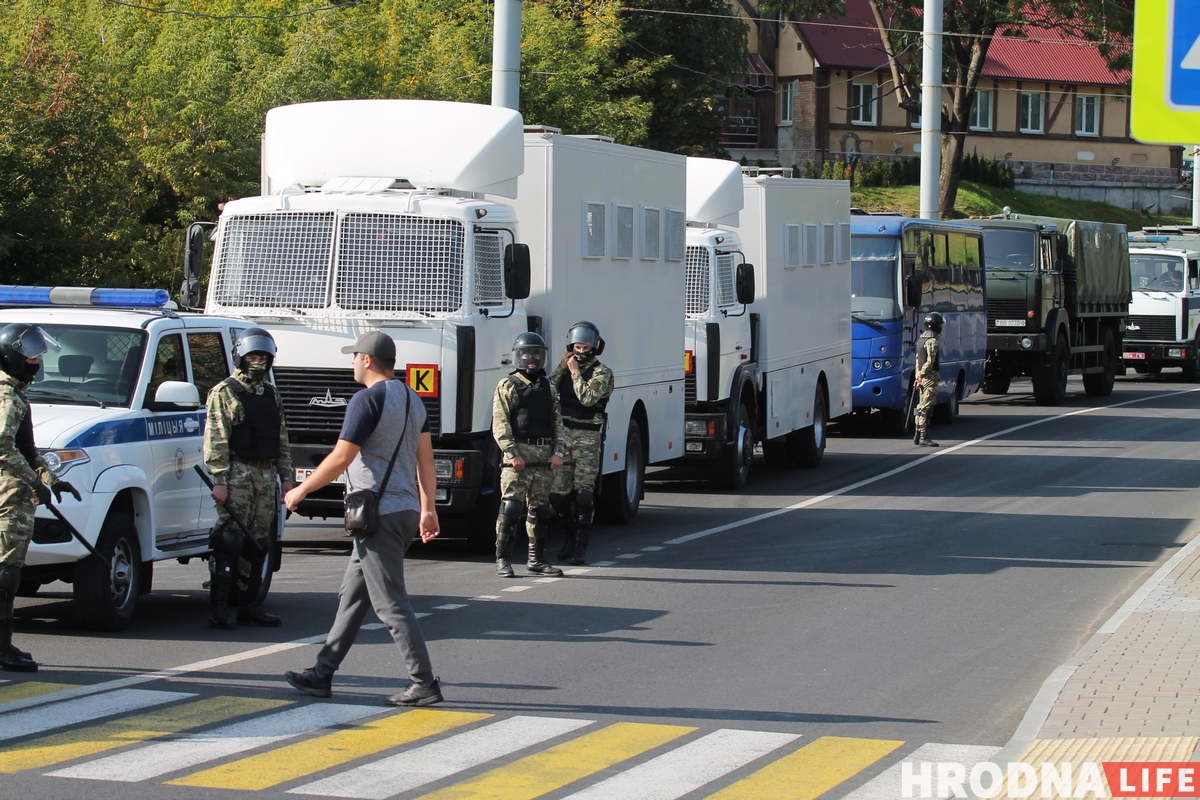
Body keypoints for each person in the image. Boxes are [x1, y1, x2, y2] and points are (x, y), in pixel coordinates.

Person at [283, 331, 442, 707]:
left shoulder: (365, 400)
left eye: (354, 357)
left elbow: (341, 458)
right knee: (353, 597)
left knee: (390, 604)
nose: (351, 363)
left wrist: (301, 491)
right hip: (402, 512)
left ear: (367, 360)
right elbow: (426, 462)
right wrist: (428, 508)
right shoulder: (414, 400)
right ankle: (322, 674)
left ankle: (423, 683)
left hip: (377, 514)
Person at [0, 324, 79, 672]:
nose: (36, 363)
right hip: (7, 496)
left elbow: (26, 449)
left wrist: (52, 479)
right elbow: (3, 448)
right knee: (5, 574)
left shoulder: (16, 395)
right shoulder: (6, 398)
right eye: (31, 356)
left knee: (8, 571)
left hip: (17, 493)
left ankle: (4, 645)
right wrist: (35, 483)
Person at [203, 327, 292, 629]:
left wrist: (287, 479)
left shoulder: (271, 394)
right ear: (241, 357)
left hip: (265, 475)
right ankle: (220, 607)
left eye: (263, 357)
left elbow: (280, 438)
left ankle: (249, 604)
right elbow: (216, 438)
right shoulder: (224, 392)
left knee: (259, 542)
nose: (258, 362)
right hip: (237, 472)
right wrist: (220, 479)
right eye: (253, 356)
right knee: (231, 539)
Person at [492, 332, 565, 578]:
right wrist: (512, 454)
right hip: (518, 458)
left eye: (536, 354)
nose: (531, 359)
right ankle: (503, 559)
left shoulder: (549, 387)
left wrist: (557, 453)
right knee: (512, 507)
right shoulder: (508, 385)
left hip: (543, 458)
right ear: (517, 357)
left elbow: (557, 423)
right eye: (526, 354)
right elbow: (500, 423)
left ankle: (537, 560)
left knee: (540, 509)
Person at [548, 322, 613, 565]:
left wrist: (575, 372)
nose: (580, 351)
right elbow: (546, 391)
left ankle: (580, 547)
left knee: (583, 494)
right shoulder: (565, 369)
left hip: (587, 437)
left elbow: (587, 398)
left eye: (585, 347)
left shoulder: (602, 373)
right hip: (563, 435)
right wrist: (561, 369)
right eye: (576, 346)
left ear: (594, 348)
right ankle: (568, 536)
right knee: (557, 495)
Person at [913, 312, 944, 448]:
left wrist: (917, 375)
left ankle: (917, 434)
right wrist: (922, 374)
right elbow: (930, 361)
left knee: (920, 407)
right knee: (927, 407)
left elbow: (917, 361)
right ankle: (924, 437)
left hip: (921, 377)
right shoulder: (933, 341)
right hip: (929, 378)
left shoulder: (921, 339)